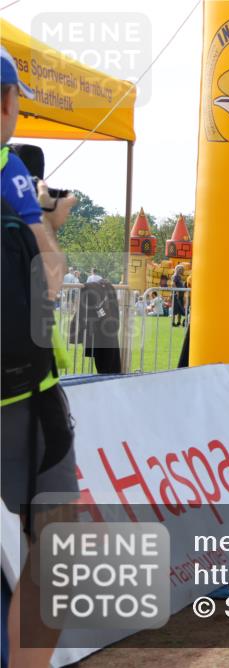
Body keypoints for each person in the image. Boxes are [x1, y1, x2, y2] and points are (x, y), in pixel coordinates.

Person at [2, 45, 79, 668]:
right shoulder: (13, 176)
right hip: (21, 400)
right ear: (7, 103)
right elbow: (51, 279)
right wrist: (44, 219)